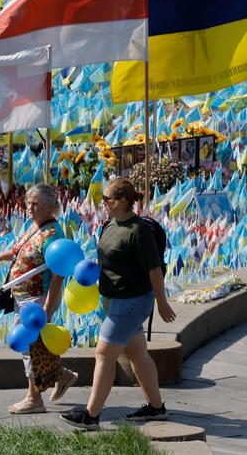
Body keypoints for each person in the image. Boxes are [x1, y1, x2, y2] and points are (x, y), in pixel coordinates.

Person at [61, 178, 176, 430]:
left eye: (108, 199)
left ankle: (91, 415)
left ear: (124, 200)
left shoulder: (139, 231)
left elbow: (154, 269)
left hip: (133, 301)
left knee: (103, 353)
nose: (103, 203)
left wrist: (162, 301)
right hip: (116, 300)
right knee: (137, 354)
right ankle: (156, 409)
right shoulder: (109, 224)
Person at [0, 184, 77, 413]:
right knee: (36, 345)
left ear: (51, 207)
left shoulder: (52, 235)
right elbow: (18, 251)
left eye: (35, 204)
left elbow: (58, 275)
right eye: (28, 204)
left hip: (36, 298)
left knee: (29, 348)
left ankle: (34, 399)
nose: (29, 209)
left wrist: (48, 308)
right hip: (22, 295)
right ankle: (61, 376)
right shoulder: (35, 226)